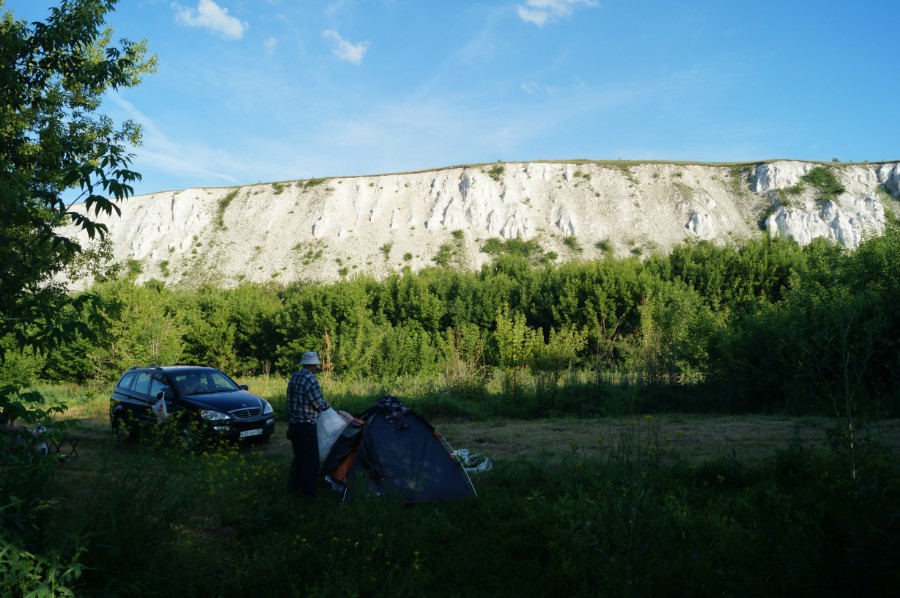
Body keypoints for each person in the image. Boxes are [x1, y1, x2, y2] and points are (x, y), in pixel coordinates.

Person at [286, 351, 330, 496]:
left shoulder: (294, 377)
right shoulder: (310, 379)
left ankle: (293, 488)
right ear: (314, 364)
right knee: (311, 461)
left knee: (298, 458)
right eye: (317, 364)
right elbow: (318, 404)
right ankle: (308, 493)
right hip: (306, 426)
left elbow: (289, 402)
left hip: (293, 425)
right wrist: (327, 406)